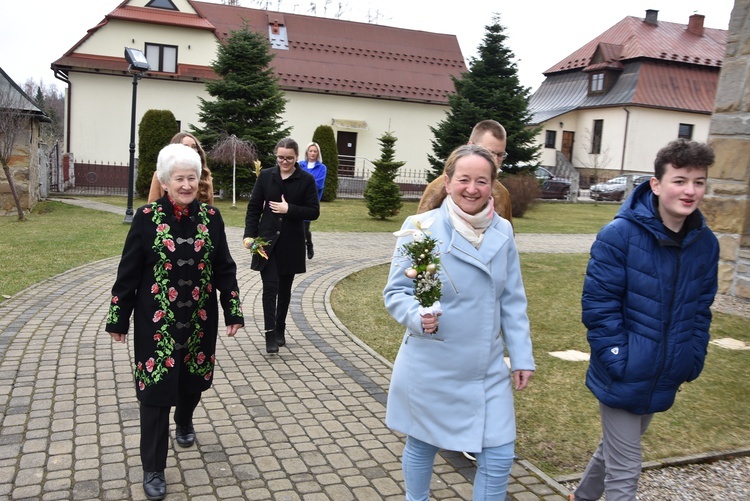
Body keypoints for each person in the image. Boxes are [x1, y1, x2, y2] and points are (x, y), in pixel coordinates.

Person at [384, 144, 535, 500]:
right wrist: (419, 317)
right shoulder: (420, 227)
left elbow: (512, 299)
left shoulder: (503, 232)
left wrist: (522, 355)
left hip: (485, 369)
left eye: (481, 181)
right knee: (422, 445)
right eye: (464, 179)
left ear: (492, 185)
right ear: (448, 182)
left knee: (498, 457)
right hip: (432, 363)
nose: (472, 188)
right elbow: (395, 293)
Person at [571, 139, 718, 501]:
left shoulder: (706, 244)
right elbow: (598, 306)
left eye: (698, 182)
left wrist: (691, 355)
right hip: (622, 369)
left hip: (665, 372)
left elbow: (701, 308)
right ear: (656, 184)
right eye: (680, 180)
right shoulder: (618, 236)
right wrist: (619, 357)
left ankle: (581, 496)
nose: (690, 191)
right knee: (626, 471)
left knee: (617, 450)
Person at [106, 143, 244, 500]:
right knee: (154, 394)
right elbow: (129, 272)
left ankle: (184, 419)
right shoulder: (146, 217)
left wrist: (233, 310)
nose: (186, 185)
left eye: (192, 178)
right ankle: (153, 467)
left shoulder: (211, 219)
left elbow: (224, 268)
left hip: (199, 319)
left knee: (193, 383)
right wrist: (118, 319)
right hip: (157, 324)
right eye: (179, 178)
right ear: (165, 182)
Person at [243, 137, 320, 354]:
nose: (284, 162)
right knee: (270, 288)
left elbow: (314, 211)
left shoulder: (305, 180)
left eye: (289, 158)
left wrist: (290, 209)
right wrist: (249, 235)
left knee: (284, 290)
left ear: (297, 158)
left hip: (291, 243)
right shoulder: (266, 176)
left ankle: (280, 328)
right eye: (280, 158)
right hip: (266, 243)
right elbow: (253, 208)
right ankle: (269, 334)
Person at [417, 120, 512, 224]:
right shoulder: (435, 187)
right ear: (470, 146)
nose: (494, 160)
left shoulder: (503, 193)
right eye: (488, 152)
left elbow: (507, 236)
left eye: (500, 155)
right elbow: (420, 230)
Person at [148, 132, 214, 205]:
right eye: (186, 146)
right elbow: (152, 205)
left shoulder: (205, 175)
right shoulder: (160, 175)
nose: (191, 150)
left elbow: (210, 209)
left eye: (194, 147)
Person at [298, 141, 327, 259]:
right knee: (296, 228)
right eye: (311, 151)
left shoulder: (322, 167)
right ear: (307, 152)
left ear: (318, 153)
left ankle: (308, 244)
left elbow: (319, 184)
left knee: (305, 228)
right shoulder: (300, 165)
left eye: (315, 151)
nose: (313, 153)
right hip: (298, 199)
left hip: (310, 201)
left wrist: (304, 183)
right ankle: (298, 251)